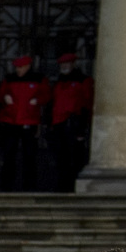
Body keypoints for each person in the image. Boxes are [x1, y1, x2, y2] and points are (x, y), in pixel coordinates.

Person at [0, 55, 46, 191]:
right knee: (9, 154)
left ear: (27, 67)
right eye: (17, 67)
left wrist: (37, 101)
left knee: (29, 155)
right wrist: (4, 98)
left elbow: (46, 96)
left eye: (20, 67)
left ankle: (29, 185)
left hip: (29, 120)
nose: (18, 70)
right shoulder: (9, 79)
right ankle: (7, 185)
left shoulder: (39, 79)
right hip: (11, 120)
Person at [48, 50, 93, 186]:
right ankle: (63, 183)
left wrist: (82, 127)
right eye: (62, 64)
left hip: (73, 122)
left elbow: (87, 103)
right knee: (61, 156)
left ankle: (72, 183)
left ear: (73, 64)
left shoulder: (83, 81)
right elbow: (53, 102)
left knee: (75, 156)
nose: (64, 67)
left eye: (66, 64)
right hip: (59, 123)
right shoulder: (59, 82)